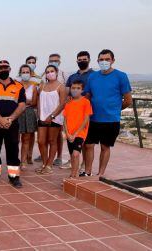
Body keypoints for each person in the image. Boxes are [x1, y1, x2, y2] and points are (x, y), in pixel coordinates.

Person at [83, 49, 132, 177]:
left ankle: (100, 173)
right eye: (101, 59)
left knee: (105, 147)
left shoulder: (121, 76)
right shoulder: (92, 76)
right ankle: (87, 172)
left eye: (107, 59)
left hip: (111, 120)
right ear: (97, 61)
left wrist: (114, 110)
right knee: (88, 145)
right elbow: (88, 95)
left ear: (113, 61)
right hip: (93, 118)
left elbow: (128, 100)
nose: (104, 62)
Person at [0, 60, 26, 188]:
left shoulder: (18, 86)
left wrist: (10, 119)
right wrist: (0, 119)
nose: (3, 70)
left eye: (5, 68)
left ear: (10, 69)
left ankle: (14, 177)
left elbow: (22, 105)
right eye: (0, 68)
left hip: (12, 124)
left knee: (13, 150)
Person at [36, 65, 67, 175]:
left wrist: (52, 116)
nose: (50, 73)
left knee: (52, 141)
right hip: (42, 117)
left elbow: (63, 104)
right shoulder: (42, 85)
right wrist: (39, 114)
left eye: (52, 71)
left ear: (56, 72)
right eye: (47, 72)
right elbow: (39, 101)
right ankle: (44, 163)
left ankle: (49, 165)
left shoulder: (61, 87)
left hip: (55, 118)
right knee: (40, 141)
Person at [43, 53, 69, 167]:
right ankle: (46, 158)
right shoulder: (44, 76)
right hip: (45, 113)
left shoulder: (64, 75)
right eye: (51, 60)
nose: (53, 62)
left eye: (56, 60)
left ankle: (58, 156)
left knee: (57, 135)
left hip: (58, 112)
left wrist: (57, 113)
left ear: (59, 62)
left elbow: (66, 95)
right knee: (45, 138)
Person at [63, 80, 92, 178]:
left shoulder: (86, 102)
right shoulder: (68, 103)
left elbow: (86, 119)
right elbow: (65, 119)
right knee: (72, 155)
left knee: (76, 154)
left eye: (78, 88)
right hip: (69, 134)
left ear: (82, 90)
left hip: (80, 133)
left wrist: (75, 134)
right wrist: (67, 133)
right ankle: (73, 175)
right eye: (73, 88)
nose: (75, 90)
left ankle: (74, 175)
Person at [17, 65, 38, 170]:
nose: (25, 74)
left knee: (26, 139)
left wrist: (22, 101)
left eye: (27, 72)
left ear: (30, 73)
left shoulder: (34, 86)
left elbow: (34, 102)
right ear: (20, 73)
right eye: (23, 72)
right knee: (15, 139)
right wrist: (25, 101)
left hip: (29, 113)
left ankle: (23, 161)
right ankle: (14, 159)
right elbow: (14, 100)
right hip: (17, 113)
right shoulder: (16, 85)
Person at [25, 56, 42, 164]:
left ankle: (29, 154)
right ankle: (22, 154)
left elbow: (40, 94)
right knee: (22, 135)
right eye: (29, 62)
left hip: (33, 109)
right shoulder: (18, 78)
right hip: (21, 110)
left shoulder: (39, 79)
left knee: (31, 134)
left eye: (33, 62)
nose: (31, 64)